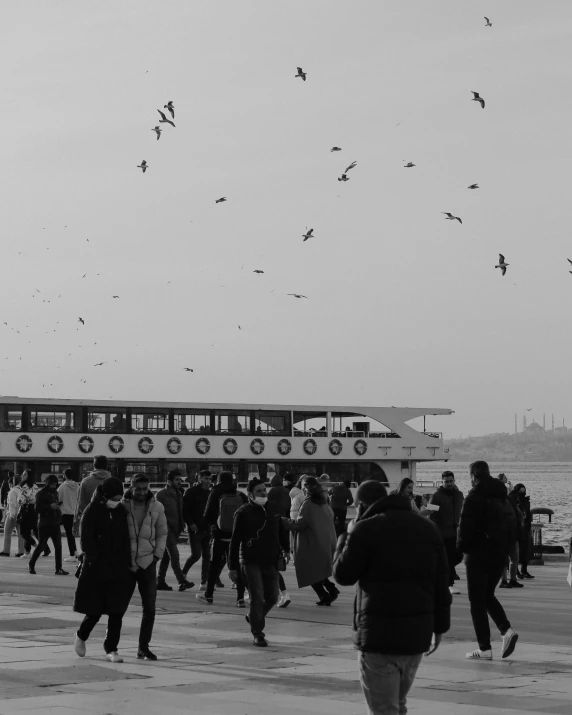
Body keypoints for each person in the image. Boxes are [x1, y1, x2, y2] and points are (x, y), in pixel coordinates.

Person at [333, 480, 451, 715]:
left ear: (361, 506)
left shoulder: (364, 530)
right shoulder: (428, 528)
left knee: (385, 709)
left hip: (379, 636)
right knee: (397, 704)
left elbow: (342, 574)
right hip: (416, 636)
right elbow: (441, 583)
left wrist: (347, 535)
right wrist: (439, 627)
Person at [458, 460, 519, 660]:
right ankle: (506, 631)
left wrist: (461, 551)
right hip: (499, 555)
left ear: (474, 476)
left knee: (476, 601)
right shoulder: (503, 497)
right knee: (487, 595)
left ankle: (484, 648)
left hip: (477, 556)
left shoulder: (473, 497)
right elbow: (514, 525)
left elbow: (464, 528)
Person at [73, 477, 134, 662]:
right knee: (94, 610)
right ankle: (81, 636)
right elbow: (86, 541)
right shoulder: (92, 511)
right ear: (105, 494)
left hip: (118, 568)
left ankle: (112, 648)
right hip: (97, 568)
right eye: (114, 497)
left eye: (119, 497)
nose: (116, 501)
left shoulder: (120, 511)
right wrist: (94, 560)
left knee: (117, 610)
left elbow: (125, 538)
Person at [229, 478, 290, 647]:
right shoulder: (243, 513)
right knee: (257, 597)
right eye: (259, 491)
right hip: (250, 560)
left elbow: (281, 530)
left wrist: (286, 549)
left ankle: (254, 617)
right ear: (250, 495)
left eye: (264, 490)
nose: (263, 493)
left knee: (272, 596)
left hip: (271, 559)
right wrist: (232, 567)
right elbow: (234, 542)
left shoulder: (274, 508)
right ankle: (258, 633)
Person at [122, 472, 168, 660]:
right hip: (125, 563)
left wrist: (157, 555)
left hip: (148, 562)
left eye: (145, 488)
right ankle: (111, 645)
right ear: (131, 487)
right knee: (118, 607)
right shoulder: (122, 507)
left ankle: (143, 647)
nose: (142, 492)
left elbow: (162, 533)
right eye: (138, 488)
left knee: (149, 607)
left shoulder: (157, 507)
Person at [286, 476, 339, 606]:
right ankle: (331, 590)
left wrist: (283, 522)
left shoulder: (308, 504)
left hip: (312, 542)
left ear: (305, 489)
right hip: (326, 540)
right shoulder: (324, 503)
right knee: (317, 570)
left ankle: (325, 594)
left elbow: (300, 524)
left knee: (308, 570)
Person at [197, 471, 247, 605]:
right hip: (236, 537)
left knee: (214, 565)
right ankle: (240, 598)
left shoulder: (215, 493)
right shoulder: (240, 495)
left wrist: (214, 526)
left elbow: (207, 515)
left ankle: (209, 595)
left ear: (218, 480)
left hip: (219, 536)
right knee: (236, 566)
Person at [156, 469, 194, 592]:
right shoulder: (161, 495)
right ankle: (181, 580)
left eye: (180, 479)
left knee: (167, 557)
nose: (180, 482)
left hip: (176, 528)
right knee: (174, 555)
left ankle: (160, 581)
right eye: (177, 479)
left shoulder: (179, 493)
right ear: (169, 481)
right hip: (166, 529)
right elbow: (158, 513)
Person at [428, 471, 464, 596]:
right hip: (443, 533)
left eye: (451, 481)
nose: (449, 483)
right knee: (448, 558)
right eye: (446, 481)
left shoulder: (459, 495)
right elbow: (430, 512)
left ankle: (441, 573)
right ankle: (449, 584)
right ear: (442, 482)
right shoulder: (437, 496)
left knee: (458, 557)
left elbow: (463, 511)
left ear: (454, 480)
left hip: (457, 533)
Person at [28, 475, 68, 575]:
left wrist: (58, 509)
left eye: (55, 484)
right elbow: (37, 508)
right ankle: (31, 564)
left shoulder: (55, 493)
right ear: (48, 483)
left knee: (58, 546)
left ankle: (58, 568)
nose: (54, 486)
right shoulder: (40, 494)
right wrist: (50, 507)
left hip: (55, 523)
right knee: (41, 546)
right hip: (44, 523)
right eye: (52, 484)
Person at [182, 469, 212, 589]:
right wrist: (190, 523)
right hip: (195, 528)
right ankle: (182, 574)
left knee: (207, 556)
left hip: (207, 528)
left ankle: (204, 582)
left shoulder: (210, 493)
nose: (208, 481)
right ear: (199, 479)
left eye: (209, 479)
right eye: (205, 478)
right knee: (196, 555)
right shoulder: (190, 492)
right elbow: (185, 510)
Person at [267, 473, 292, 607]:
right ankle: (282, 593)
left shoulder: (272, 492)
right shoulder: (286, 491)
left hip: (273, 522)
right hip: (283, 521)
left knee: (268, 568)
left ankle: (280, 594)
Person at [74, 455, 112, 530]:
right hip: (109, 521)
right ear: (107, 466)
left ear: (94, 465)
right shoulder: (114, 482)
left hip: (90, 521)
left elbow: (81, 504)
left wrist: (77, 522)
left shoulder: (86, 482)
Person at [17, 470, 47, 558]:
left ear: (29, 476)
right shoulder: (36, 486)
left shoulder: (24, 486)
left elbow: (21, 500)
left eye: (25, 474)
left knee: (23, 532)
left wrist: (21, 501)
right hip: (33, 511)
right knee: (28, 532)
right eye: (22, 474)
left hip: (26, 510)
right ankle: (27, 552)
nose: (22, 476)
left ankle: (36, 546)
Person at [500, 486, 524, 589]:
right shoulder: (512, 505)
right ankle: (511, 580)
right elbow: (520, 517)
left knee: (507, 559)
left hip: (504, 535)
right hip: (511, 535)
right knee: (513, 558)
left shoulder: (500, 504)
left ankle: (505, 580)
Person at [511, 483, 534, 580]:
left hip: (526, 529)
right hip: (518, 529)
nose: (522, 492)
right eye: (521, 490)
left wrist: (529, 525)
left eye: (524, 490)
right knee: (516, 553)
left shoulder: (526, 501)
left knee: (526, 551)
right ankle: (516, 572)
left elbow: (528, 514)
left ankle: (524, 570)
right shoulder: (514, 501)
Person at [58, 468, 80, 562]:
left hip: (66, 513)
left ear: (64, 475)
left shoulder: (62, 487)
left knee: (69, 534)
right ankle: (75, 552)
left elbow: (59, 500)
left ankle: (72, 554)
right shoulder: (77, 486)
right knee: (73, 533)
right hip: (75, 513)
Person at [0, 475, 25, 556]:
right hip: (21, 514)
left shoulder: (12, 491)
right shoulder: (22, 490)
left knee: (7, 532)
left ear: (11, 483)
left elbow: (12, 504)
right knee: (20, 534)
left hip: (12, 514)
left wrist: (11, 516)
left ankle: (6, 550)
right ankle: (21, 551)